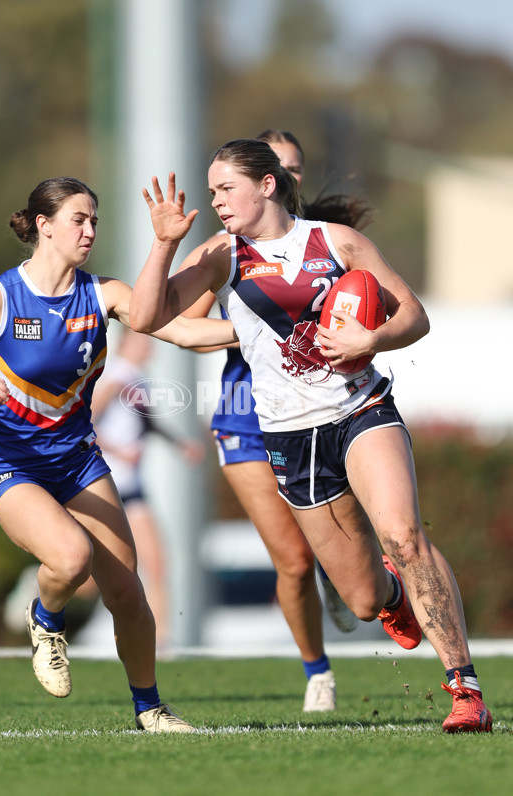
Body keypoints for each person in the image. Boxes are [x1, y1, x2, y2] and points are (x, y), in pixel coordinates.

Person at [129, 141, 493, 733]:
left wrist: (369, 342)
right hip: (290, 436)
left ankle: (464, 690)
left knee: (402, 534)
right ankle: (396, 595)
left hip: (360, 409)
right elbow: (147, 317)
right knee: (363, 601)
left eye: (225, 188)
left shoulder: (334, 242)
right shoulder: (223, 254)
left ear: (266, 185)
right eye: (213, 190)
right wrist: (165, 242)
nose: (215, 200)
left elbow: (413, 316)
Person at [0, 176, 235, 733]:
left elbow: (173, 329)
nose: (90, 230)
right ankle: (46, 620)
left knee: (127, 591)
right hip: (10, 465)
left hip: (78, 463)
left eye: (94, 219)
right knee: (70, 558)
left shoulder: (101, 293)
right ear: (44, 226)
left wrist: (268, 333)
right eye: (78, 219)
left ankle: (151, 711)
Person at [181, 129, 369, 713]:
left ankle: (351, 579)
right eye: (280, 164)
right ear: (263, 176)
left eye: (297, 166)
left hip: (324, 405)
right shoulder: (230, 244)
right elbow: (183, 325)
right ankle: (318, 671)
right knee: (291, 558)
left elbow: (362, 312)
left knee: (348, 535)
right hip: (247, 414)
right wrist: (248, 331)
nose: (290, 174)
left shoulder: (323, 241)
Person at [87, 326, 205, 648]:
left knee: (156, 562)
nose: (149, 350)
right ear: (127, 343)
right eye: (143, 343)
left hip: (134, 487)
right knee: (88, 571)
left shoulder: (138, 379)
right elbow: (86, 424)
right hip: (108, 485)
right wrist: (119, 450)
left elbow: (147, 422)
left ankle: (161, 641)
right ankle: (37, 592)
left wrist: (180, 445)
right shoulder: (115, 377)